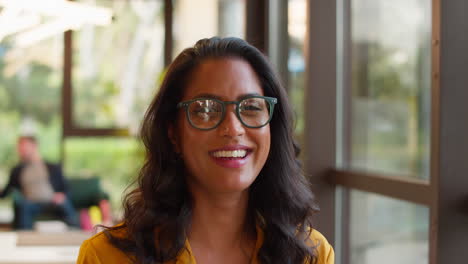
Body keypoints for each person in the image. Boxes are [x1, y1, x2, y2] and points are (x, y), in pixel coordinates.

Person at [77, 37, 334, 264]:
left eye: (251, 107)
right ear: (173, 134)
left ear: (272, 128)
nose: (233, 129)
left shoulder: (311, 255)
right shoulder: (106, 258)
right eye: (206, 110)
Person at [0, 136, 78, 229]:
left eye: (24, 147)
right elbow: (7, 191)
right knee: (24, 206)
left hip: (52, 202)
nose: (21, 150)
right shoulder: (17, 170)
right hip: (31, 204)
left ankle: (75, 230)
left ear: (34, 146)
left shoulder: (52, 166)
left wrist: (62, 195)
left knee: (64, 203)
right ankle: (25, 237)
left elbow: (67, 188)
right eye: (20, 148)